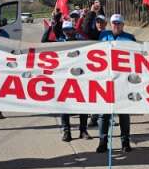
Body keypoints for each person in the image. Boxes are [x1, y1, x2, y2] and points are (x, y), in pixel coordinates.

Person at [44, 14, 90, 142]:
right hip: (64, 80)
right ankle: (66, 131)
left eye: (70, 29)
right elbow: (43, 42)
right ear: (63, 31)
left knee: (83, 106)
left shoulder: (82, 42)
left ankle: (83, 130)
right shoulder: (59, 43)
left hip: (80, 78)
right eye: (65, 30)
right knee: (64, 106)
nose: (68, 32)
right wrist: (50, 26)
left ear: (74, 30)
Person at [96, 14, 135, 153]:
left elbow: (137, 58)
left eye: (119, 23)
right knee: (104, 114)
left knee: (124, 114)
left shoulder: (130, 38)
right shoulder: (103, 35)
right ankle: (103, 142)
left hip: (123, 81)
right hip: (105, 81)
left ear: (123, 25)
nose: (116, 26)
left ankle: (125, 142)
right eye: (114, 23)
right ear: (110, 24)